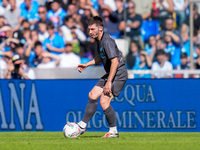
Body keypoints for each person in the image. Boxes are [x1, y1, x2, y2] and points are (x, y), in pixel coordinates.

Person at [75, 16, 128, 138]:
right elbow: (101, 56)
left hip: (118, 74)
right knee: (92, 94)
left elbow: (115, 61)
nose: (90, 32)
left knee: (104, 101)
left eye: (93, 29)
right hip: (111, 73)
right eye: (89, 29)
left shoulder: (107, 41)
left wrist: (109, 82)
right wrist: (87, 64)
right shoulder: (100, 40)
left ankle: (113, 131)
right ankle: (82, 126)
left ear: (101, 28)